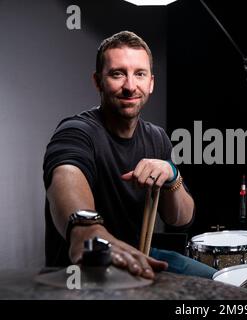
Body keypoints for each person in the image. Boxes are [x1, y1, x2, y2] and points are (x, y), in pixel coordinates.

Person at [43, 31, 217, 279]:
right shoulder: (76, 132)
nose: (130, 86)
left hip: (141, 254)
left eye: (140, 74)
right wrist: (87, 231)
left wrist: (171, 174)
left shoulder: (157, 138)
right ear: (97, 81)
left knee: (225, 285)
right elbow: (65, 175)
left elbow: (181, 219)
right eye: (117, 74)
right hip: (85, 269)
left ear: (151, 83)